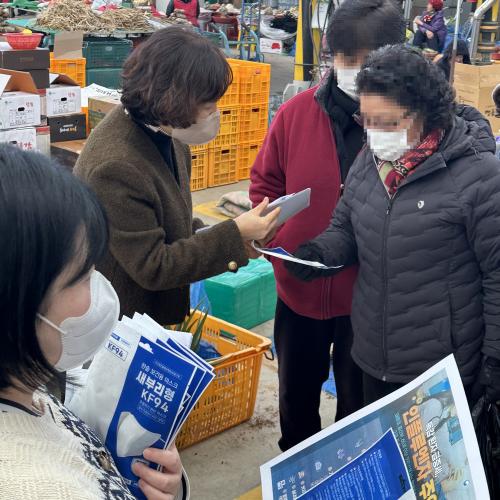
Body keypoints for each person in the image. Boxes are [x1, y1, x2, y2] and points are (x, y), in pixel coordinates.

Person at [286, 44, 500, 408]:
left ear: (425, 113)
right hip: (373, 353)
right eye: (367, 120)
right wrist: (319, 254)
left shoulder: (478, 175)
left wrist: (494, 358)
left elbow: (496, 273)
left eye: (388, 123)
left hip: (439, 368)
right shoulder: (370, 161)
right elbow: (346, 224)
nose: (374, 133)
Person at [249, 0, 405, 452]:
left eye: (364, 60)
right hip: (298, 287)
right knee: (296, 396)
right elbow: (265, 183)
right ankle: (297, 463)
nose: (351, 69)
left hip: (368, 297)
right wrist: (280, 242)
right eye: (344, 57)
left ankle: (348, 469)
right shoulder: (296, 113)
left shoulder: (402, 125)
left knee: (358, 405)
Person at [0, 145, 184, 499]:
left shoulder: (26, 386)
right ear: (17, 305)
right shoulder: (44, 489)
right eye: (83, 275)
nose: (100, 287)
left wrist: (159, 485)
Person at [75, 28, 279, 327]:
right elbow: (154, 266)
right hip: (122, 319)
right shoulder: (116, 166)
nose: (215, 114)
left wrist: (236, 240)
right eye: (208, 106)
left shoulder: (167, 132)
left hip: (149, 311)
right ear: (175, 100)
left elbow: (173, 222)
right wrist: (233, 235)